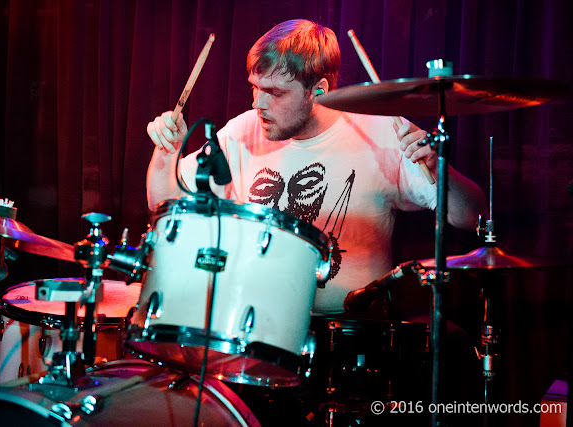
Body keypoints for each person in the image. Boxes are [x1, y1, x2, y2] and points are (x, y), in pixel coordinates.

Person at [145, 19, 486, 316]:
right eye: (255, 88)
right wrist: (167, 152)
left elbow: (470, 217)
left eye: (274, 93)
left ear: (317, 91)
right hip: (256, 329)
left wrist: (437, 168)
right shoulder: (243, 131)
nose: (257, 103)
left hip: (354, 336)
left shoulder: (381, 132)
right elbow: (164, 203)